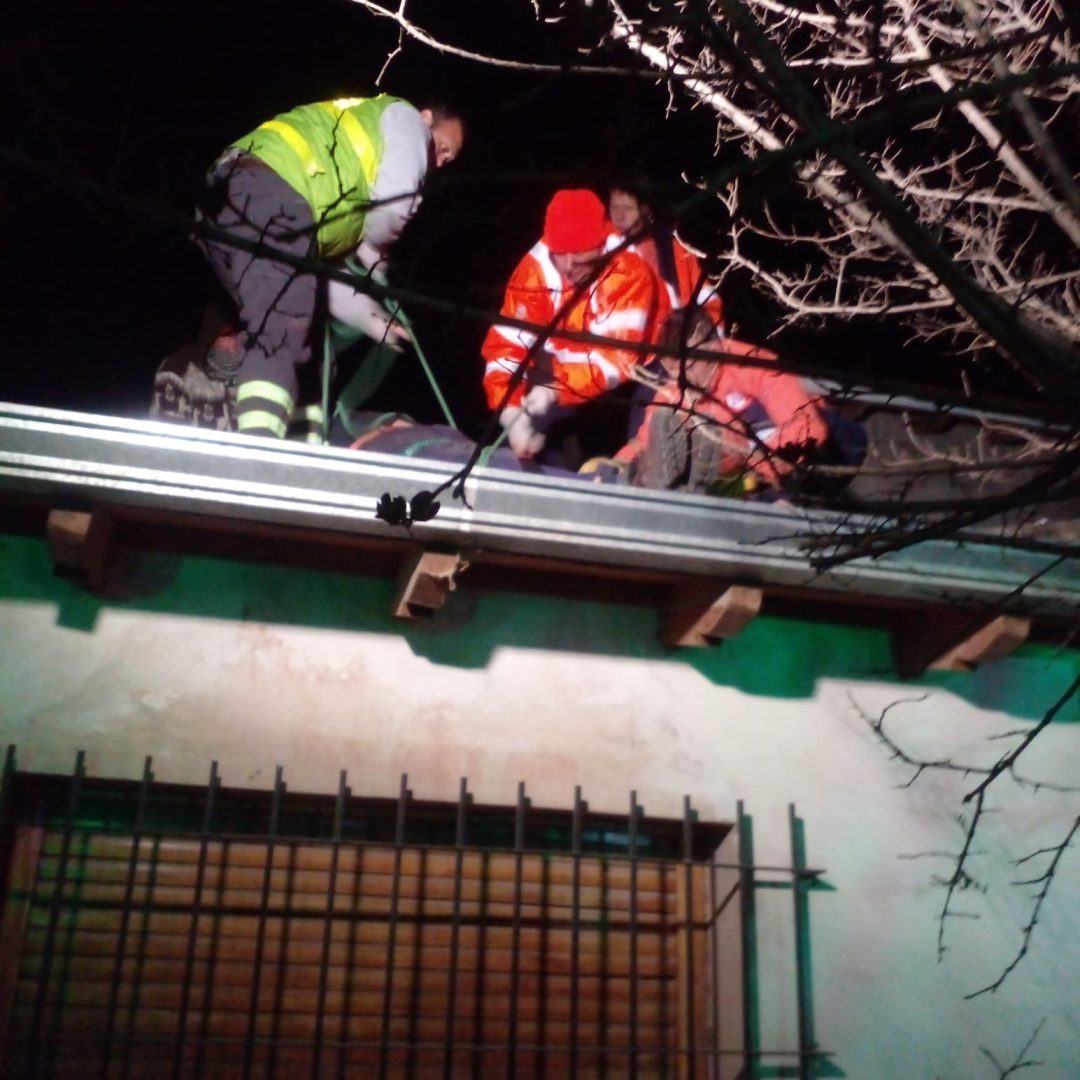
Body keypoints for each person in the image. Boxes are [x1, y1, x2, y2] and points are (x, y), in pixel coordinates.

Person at [197, 94, 465, 439]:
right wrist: (373, 257)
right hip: (267, 187)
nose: (440, 161)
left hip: (230, 204)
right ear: (428, 119)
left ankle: (301, 451)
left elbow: (328, 283)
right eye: (444, 147)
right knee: (281, 321)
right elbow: (396, 205)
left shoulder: (341, 196)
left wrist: (374, 320)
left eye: (449, 159)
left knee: (309, 346)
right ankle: (259, 450)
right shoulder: (408, 120)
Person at [480, 188, 671, 462]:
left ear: (600, 245)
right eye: (561, 255)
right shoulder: (534, 271)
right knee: (525, 436)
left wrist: (552, 394)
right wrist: (509, 410)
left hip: (642, 371)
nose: (569, 268)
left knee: (631, 450)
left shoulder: (626, 269)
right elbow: (507, 347)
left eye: (580, 257)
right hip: (564, 372)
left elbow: (616, 363)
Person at [616, 309, 862, 497]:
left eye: (689, 366)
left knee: (754, 427)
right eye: (671, 372)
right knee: (672, 431)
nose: (681, 379)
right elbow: (645, 439)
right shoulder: (675, 388)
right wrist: (615, 466)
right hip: (735, 471)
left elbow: (806, 429)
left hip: (814, 454)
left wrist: (749, 462)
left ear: (715, 347)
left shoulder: (755, 366)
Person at [607, 181, 724, 332]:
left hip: (676, 342)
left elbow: (707, 298)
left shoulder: (675, 249)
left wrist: (705, 333)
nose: (619, 216)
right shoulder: (605, 250)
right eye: (614, 207)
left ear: (645, 210)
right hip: (624, 345)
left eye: (627, 208)